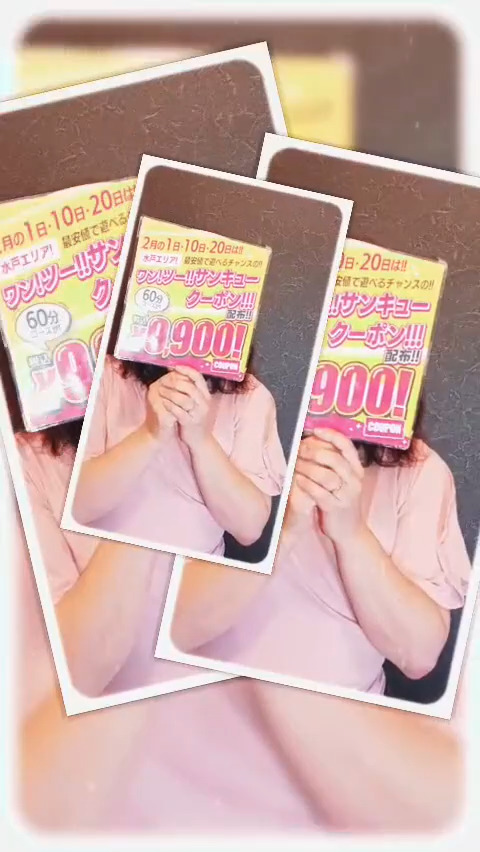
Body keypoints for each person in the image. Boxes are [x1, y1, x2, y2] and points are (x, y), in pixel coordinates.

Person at [169, 409, 471, 694]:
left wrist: (351, 534)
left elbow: (417, 657)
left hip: (332, 714)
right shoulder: (244, 411)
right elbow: (176, 624)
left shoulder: (420, 471)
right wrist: (288, 531)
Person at [70, 356, 285, 556]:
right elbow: (76, 506)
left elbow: (249, 528)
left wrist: (200, 439)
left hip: (191, 575)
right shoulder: (102, 372)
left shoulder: (250, 396)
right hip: (96, 569)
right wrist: (150, 434)